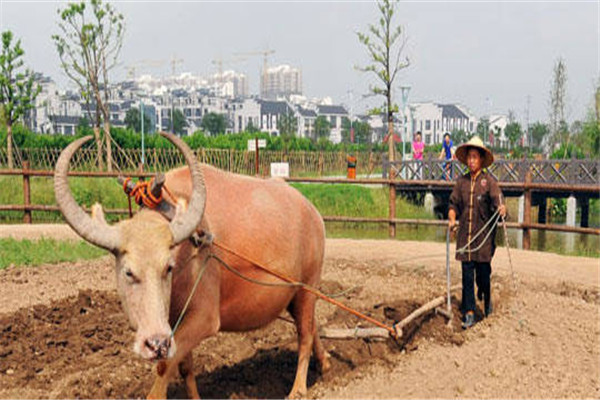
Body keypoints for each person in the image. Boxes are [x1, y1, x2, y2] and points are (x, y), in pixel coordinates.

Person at [448, 136, 506, 329]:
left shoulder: (489, 182)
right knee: (466, 277)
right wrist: (452, 218)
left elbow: (499, 203)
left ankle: (487, 301)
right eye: (469, 157)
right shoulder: (461, 182)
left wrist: (502, 209)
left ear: (481, 159)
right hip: (465, 238)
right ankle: (469, 312)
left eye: (475, 157)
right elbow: (453, 203)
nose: (472, 160)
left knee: (483, 275)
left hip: (483, 241)